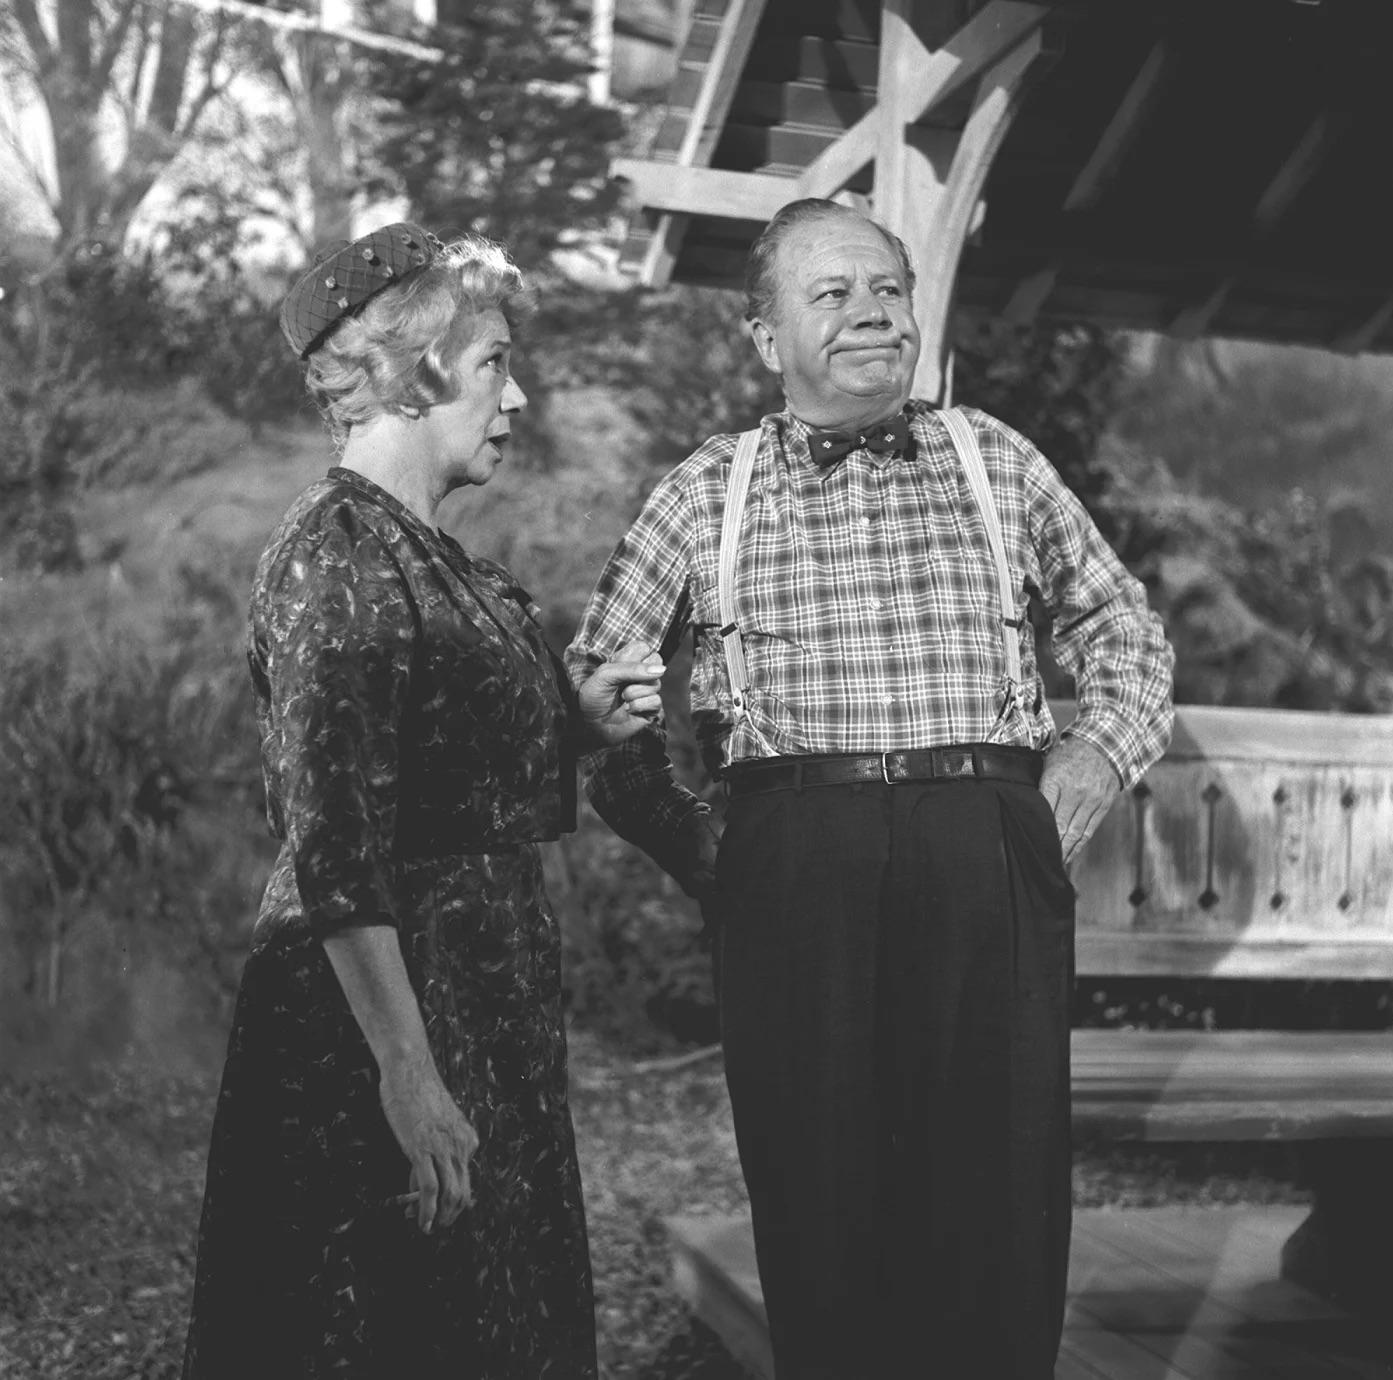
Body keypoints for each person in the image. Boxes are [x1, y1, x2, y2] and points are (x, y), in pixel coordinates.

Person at [565, 198, 1175, 1379]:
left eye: (887, 289)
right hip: (794, 865)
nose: (870, 313)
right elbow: (600, 693)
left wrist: (1097, 754)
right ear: (765, 338)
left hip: (985, 852)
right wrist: (692, 840)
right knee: (822, 1212)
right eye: (832, 292)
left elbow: (1121, 626)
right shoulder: (705, 490)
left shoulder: (993, 457)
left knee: (996, 1209)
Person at [182, 223, 663, 1379]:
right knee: (389, 1322)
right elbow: (333, 839)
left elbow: (445, 765)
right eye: (494, 362)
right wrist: (405, 1069)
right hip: (386, 1008)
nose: (516, 396)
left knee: (489, 1316)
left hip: (479, 996)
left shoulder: (436, 555)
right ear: (411, 372)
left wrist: (572, 723)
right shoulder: (336, 554)